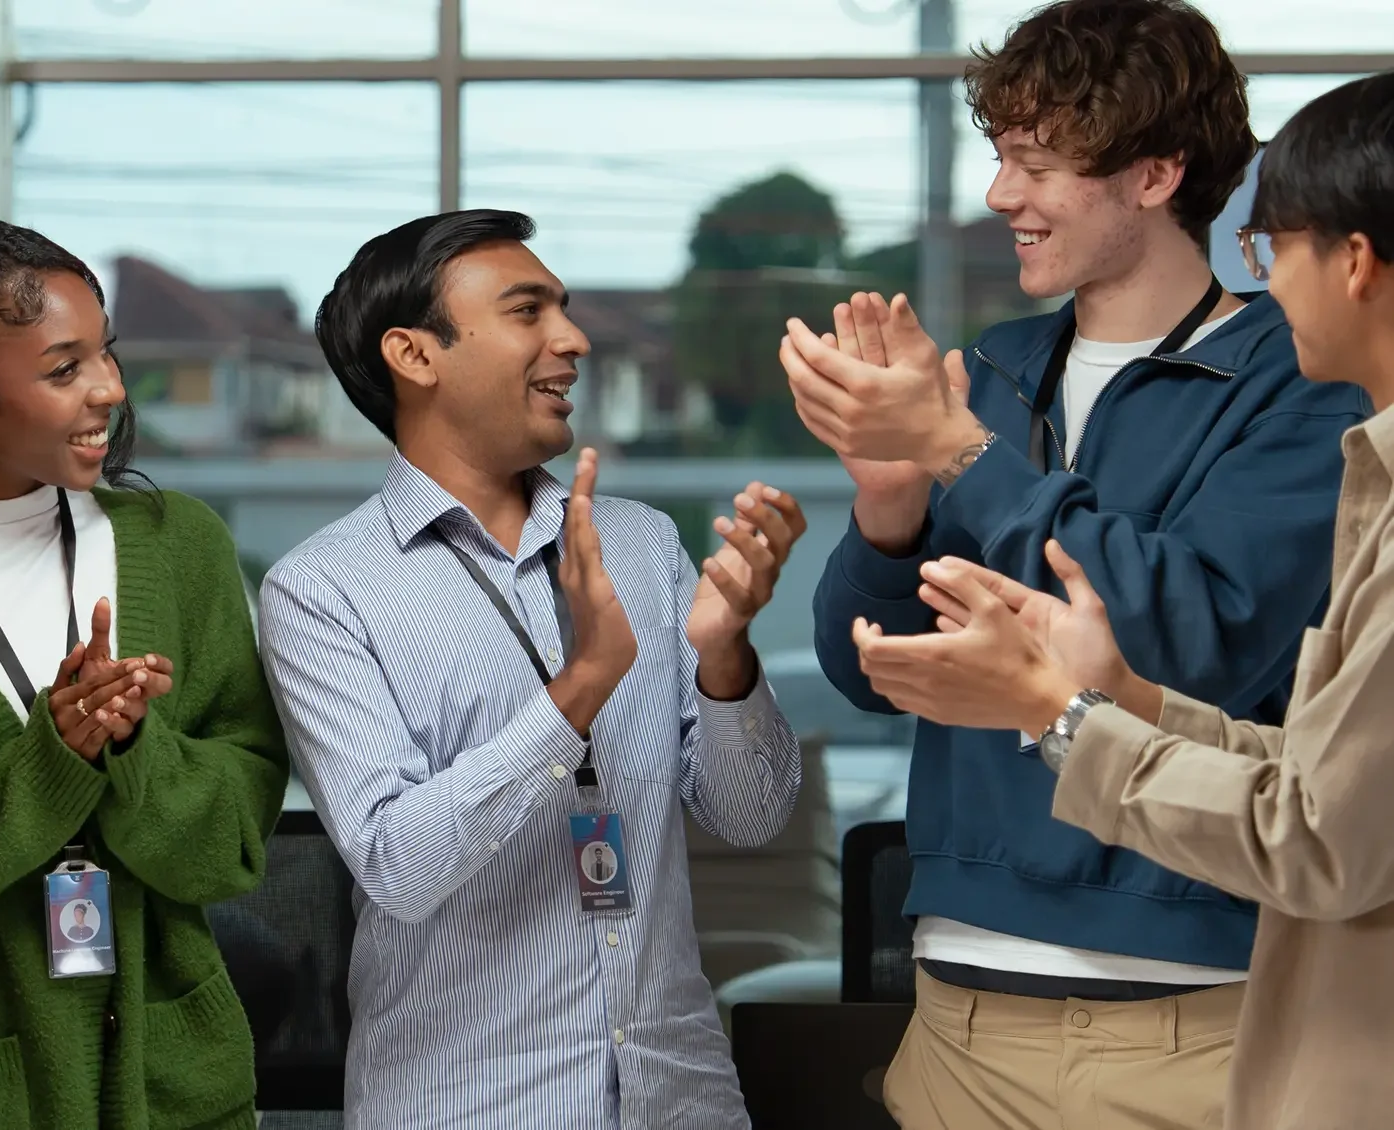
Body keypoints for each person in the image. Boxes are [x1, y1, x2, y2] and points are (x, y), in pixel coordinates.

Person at [781, 1, 1370, 1126]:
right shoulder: (992, 372)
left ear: (1153, 174)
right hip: (955, 1009)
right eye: (998, 156)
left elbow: (1194, 634)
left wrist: (957, 453)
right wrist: (888, 503)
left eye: (1034, 161)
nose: (1000, 194)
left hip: (1191, 1018)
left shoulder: (1299, 384)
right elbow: (869, 674)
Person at [257, 209, 806, 1129]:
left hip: (681, 1096)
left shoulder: (641, 542)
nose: (574, 339)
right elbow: (396, 864)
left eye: (565, 308)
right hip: (465, 1104)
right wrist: (582, 685)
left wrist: (725, 656)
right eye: (528, 311)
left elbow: (750, 814)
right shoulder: (321, 591)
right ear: (415, 355)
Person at [0, 220, 289, 1130]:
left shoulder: (177, 544)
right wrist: (54, 758)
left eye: (105, 355)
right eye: (63, 369)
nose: (111, 389)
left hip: (180, 1088)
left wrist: (133, 748)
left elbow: (236, 837)